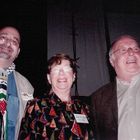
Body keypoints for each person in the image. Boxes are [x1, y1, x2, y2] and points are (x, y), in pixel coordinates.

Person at [18, 53, 95, 140]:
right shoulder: (36, 106)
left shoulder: (84, 108)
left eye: (66, 69)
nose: (61, 73)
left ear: (74, 76)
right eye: (56, 70)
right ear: (49, 78)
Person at [90, 35, 140, 140]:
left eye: (136, 49)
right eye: (123, 50)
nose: (131, 52)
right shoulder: (98, 99)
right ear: (112, 61)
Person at [0, 26, 34, 140]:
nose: (8, 43)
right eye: (3, 37)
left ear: (18, 52)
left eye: (14, 41)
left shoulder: (27, 86)